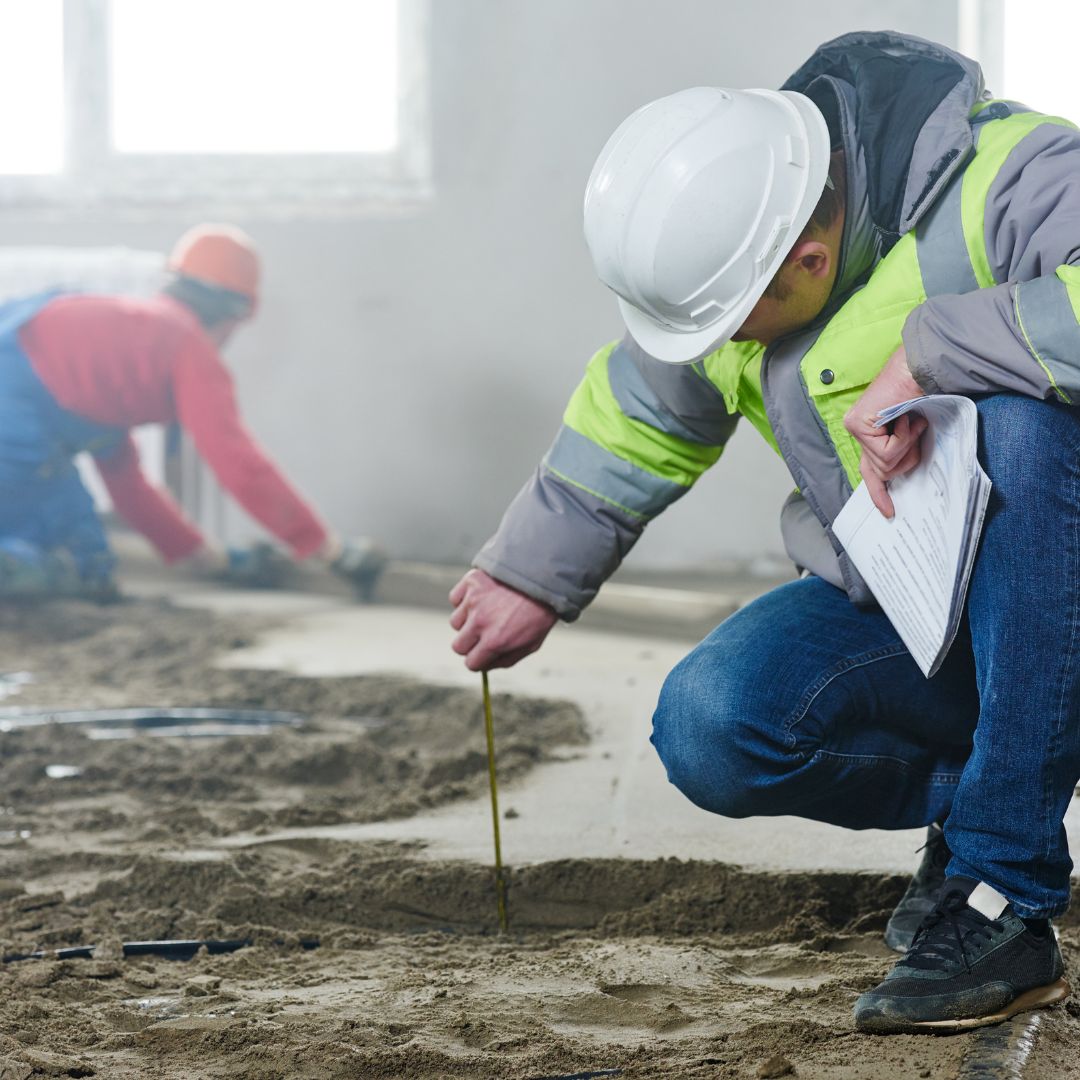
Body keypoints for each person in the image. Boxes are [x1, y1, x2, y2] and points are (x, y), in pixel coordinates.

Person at [449, 30, 1080, 1033]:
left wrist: (939, 350)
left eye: (731, 320)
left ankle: (1006, 891)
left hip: (1060, 586)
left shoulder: (1017, 176)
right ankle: (979, 804)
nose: (723, 343)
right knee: (715, 724)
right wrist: (531, 572)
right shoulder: (740, 244)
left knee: (1028, 429)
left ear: (812, 258)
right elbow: (641, 412)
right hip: (917, 599)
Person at [0, 224, 384, 598]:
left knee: (85, 550)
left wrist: (214, 561)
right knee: (69, 560)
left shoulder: (121, 347)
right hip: (12, 414)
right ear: (234, 317)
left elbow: (129, 489)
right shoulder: (187, 344)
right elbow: (239, 463)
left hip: (20, 403)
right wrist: (328, 550)